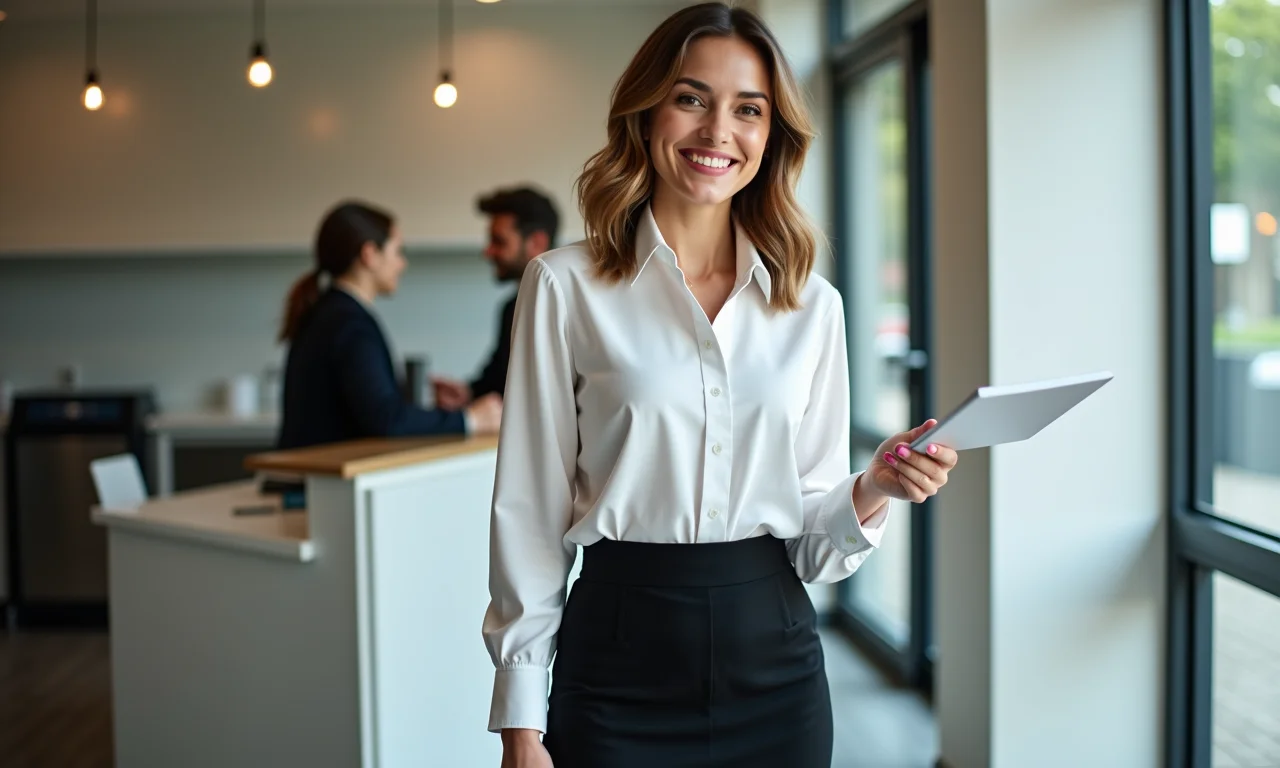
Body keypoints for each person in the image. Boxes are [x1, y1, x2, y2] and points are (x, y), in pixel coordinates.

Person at [482, 4, 960, 767]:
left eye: (748, 109)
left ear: (772, 135)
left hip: (776, 672)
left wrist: (873, 488)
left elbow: (809, 543)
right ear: (647, 113)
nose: (717, 132)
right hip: (613, 666)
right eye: (691, 98)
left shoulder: (813, 306)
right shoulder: (563, 286)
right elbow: (529, 518)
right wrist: (520, 725)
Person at [275, 200, 502, 450]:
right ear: (369, 255)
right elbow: (386, 419)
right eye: (397, 251)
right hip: (322, 486)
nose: (402, 263)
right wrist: (469, 420)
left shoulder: (331, 312)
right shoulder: (349, 323)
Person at [432, 186, 559, 411]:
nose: (488, 252)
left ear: (537, 243)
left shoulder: (570, 308)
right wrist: (467, 393)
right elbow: (498, 380)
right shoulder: (511, 308)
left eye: (499, 242)